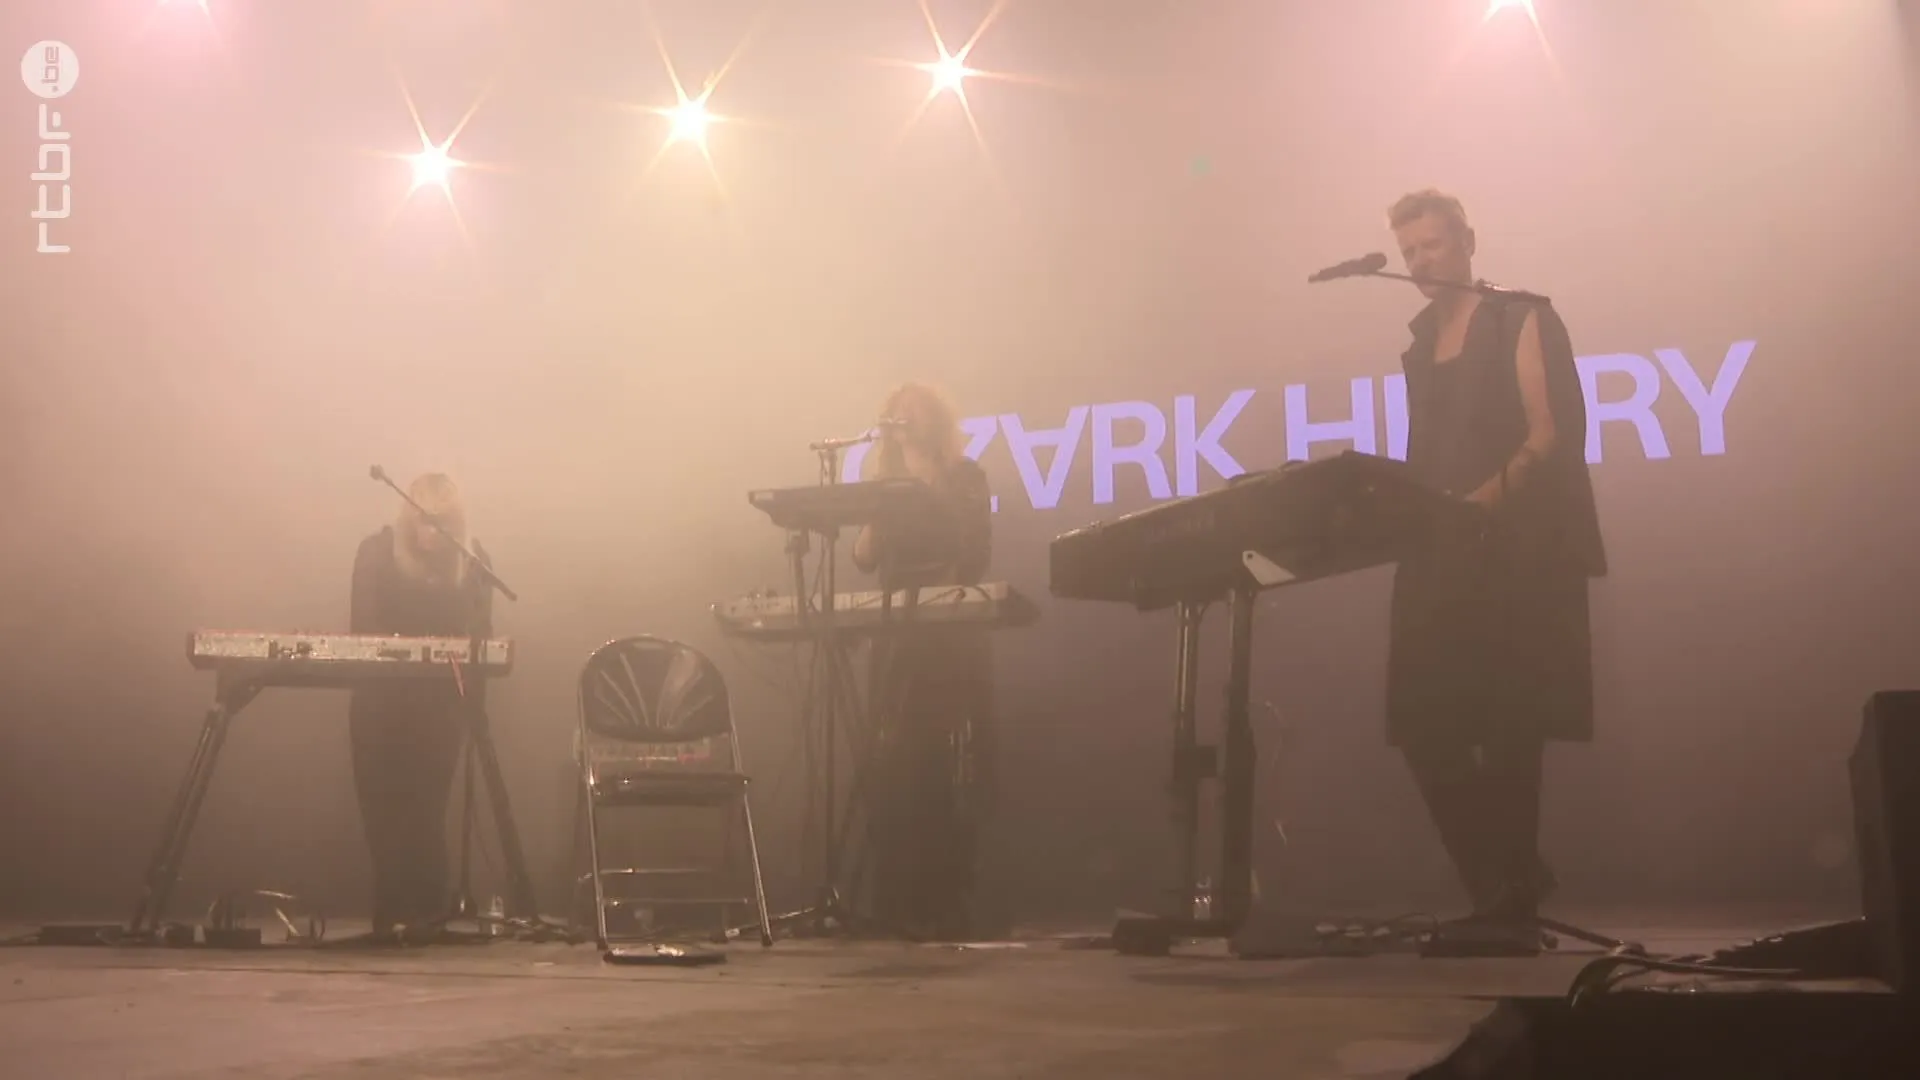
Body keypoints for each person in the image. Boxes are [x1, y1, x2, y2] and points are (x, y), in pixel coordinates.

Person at [1383, 190, 1606, 949]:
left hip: (1515, 550)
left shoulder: (1518, 315)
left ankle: (1503, 907)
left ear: (1468, 241)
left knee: (1512, 728)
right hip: (1437, 549)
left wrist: (1481, 502)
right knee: (1421, 719)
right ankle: (1509, 881)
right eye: (1409, 251)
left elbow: (1547, 432)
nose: (1420, 261)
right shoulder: (1418, 342)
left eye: (1432, 245)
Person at [851, 383, 995, 940]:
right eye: (895, 415)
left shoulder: (965, 477)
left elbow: (974, 555)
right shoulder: (884, 483)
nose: (902, 421)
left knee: (941, 762)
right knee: (891, 763)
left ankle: (943, 899)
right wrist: (877, 503)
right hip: (895, 636)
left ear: (934, 421)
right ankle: (896, 899)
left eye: (911, 414)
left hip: (947, 638)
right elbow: (863, 558)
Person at [347, 472, 493, 940]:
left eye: (441, 522)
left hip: (438, 708)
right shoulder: (376, 552)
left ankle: (428, 912)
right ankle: (391, 914)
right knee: (382, 812)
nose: (431, 532)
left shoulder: (472, 560)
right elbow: (363, 628)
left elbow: (482, 640)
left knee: (426, 811)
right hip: (379, 706)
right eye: (423, 521)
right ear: (408, 519)